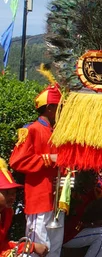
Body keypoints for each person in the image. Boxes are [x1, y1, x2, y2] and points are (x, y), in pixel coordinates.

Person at [9, 82, 64, 257]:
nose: (61, 112)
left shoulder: (57, 132)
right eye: (59, 107)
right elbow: (17, 161)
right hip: (39, 199)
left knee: (54, 249)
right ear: (49, 108)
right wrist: (49, 159)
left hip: (57, 200)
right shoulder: (31, 130)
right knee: (37, 249)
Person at [0, 158, 48, 257]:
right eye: (7, 192)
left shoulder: (7, 212)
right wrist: (31, 247)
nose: (12, 197)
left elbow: (2, 245)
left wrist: (30, 246)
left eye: (14, 193)